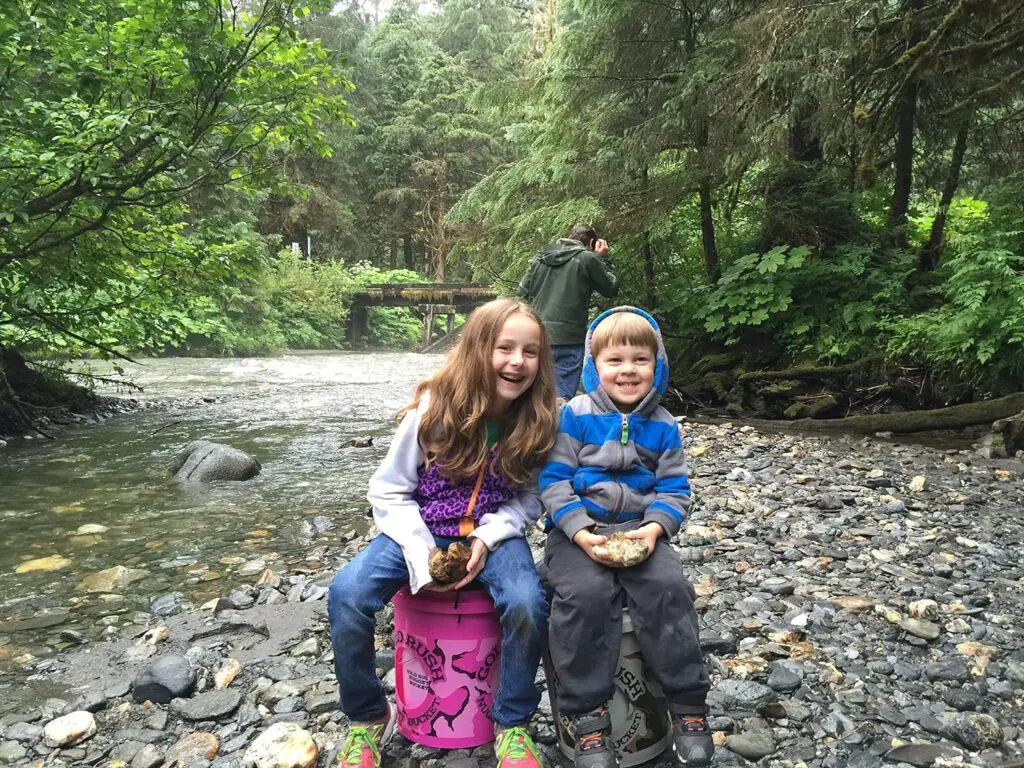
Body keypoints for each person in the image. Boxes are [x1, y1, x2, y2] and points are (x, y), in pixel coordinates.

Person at [327, 298, 559, 768]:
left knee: (528, 604)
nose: (517, 361)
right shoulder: (434, 411)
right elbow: (388, 491)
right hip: (418, 528)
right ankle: (369, 716)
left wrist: (489, 538)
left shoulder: (539, 420)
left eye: (530, 352)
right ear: (476, 350)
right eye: (504, 348)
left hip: (493, 534)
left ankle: (511, 723)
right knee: (347, 593)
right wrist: (420, 551)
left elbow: (531, 499)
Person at [539, 307, 713, 768]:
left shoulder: (664, 424)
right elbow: (553, 483)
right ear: (594, 365)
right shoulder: (573, 416)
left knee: (669, 589)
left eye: (641, 359)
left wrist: (654, 530)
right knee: (585, 594)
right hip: (577, 534)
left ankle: (688, 704)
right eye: (615, 360)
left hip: (642, 532)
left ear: (658, 366)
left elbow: (675, 490)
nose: (628, 370)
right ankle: (588, 716)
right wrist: (579, 532)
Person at [518, 224, 619, 400]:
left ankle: (532, 426)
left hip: (537, 335)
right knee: (561, 395)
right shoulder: (587, 258)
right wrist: (602, 258)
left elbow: (522, 292)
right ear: (592, 243)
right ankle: (556, 425)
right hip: (570, 338)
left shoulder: (540, 258)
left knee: (533, 393)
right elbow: (610, 288)